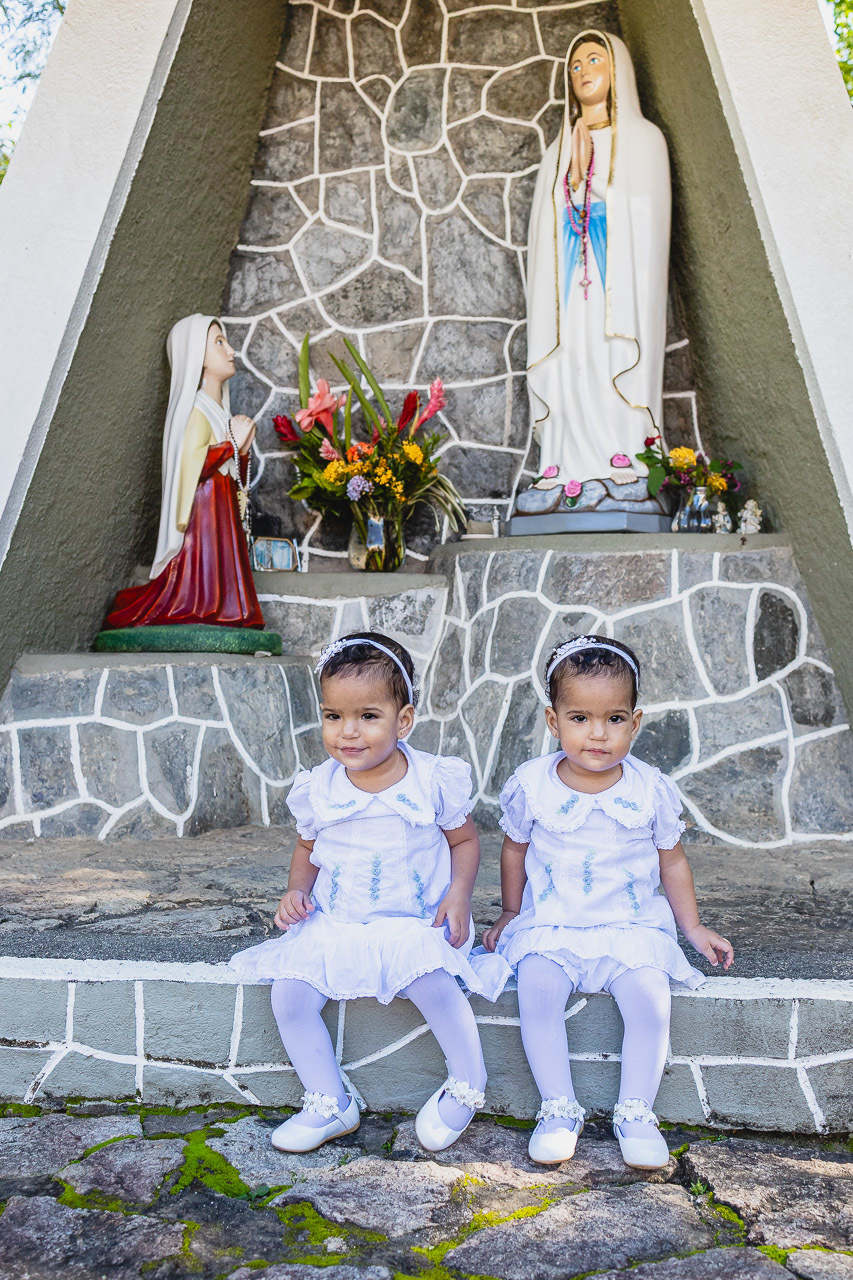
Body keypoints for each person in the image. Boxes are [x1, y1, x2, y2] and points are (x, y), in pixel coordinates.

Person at [230, 631, 508, 1155]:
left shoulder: (430, 780)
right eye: (333, 716)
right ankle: (328, 1100)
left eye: (367, 717)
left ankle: (467, 1083)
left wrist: (458, 895)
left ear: (403, 720)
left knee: (434, 983)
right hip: (338, 920)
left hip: (413, 920)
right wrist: (296, 891)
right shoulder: (319, 787)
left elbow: (465, 840)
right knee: (289, 995)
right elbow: (307, 847)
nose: (347, 732)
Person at [480, 635, 733, 1170]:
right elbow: (514, 849)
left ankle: (636, 1110)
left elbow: (672, 862)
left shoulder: (650, 789)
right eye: (580, 718)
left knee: (650, 1000)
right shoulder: (533, 785)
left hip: (630, 925)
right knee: (538, 990)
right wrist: (510, 911)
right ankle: (558, 1106)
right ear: (554, 721)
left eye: (614, 719)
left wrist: (692, 928)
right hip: (553, 923)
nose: (598, 734)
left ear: (635, 722)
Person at [525, 31, 671, 490]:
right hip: (570, 282)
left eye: (594, 59)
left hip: (617, 279)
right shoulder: (557, 150)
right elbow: (543, 231)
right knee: (572, 355)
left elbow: (649, 218)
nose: (584, 71)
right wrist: (569, 177)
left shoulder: (644, 140)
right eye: (575, 65)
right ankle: (563, 457)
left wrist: (597, 186)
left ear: (617, 69)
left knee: (611, 352)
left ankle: (622, 450)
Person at [104, 314, 265, 629]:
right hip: (203, 517)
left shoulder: (218, 410)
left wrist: (242, 449)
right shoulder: (196, 410)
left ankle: (228, 607)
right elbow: (193, 465)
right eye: (219, 343)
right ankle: (201, 604)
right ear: (197, 356)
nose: (231, 351)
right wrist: (232, 443)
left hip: (222, 513)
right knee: (200, 584)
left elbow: (234, 476)